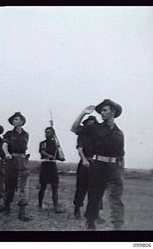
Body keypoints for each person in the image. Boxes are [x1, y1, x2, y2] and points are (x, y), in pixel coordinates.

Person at [71, 99, 125, 230]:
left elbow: (121, 154)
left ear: (113, 112)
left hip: (114, 168)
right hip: (98, 166)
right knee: (95, 196)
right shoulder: (94, 128)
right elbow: (74, 128)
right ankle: (90, 222)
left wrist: (121, 171)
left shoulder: (119, 133)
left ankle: (118, 225)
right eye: (101, 110)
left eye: (105, 110)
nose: (102, 113)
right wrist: (83, 113)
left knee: (116, 197)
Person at [73, 116, 105, 222]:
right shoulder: (82, 135)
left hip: (97, 164)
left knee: (97, 189)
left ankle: (97, 214)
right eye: (89, 123)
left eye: (93, 122)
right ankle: (77, 209)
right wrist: (84, 160)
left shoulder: (99, 137)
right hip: (85, 163)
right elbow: (80, 149)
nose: (91, 124)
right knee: (81, 188)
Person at [1, 112, 31, 221]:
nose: (15, 121)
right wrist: (7, 154)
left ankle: (22, 213)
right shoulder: (8, 134)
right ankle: (6, 207)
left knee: (23, 186)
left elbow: (24, 147)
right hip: (11, 160)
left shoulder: (25, 134)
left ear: (22, 121)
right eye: (13, 120)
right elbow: (4, 145)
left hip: (22, 161)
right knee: (10, 184)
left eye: (17, 119)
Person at [38, 127, 65, 213]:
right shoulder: (43, 143)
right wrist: (48, 156)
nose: (46, 134)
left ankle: (56, 206)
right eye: (46, 132)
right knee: (43, 186)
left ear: (53, 134)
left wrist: (61, 158)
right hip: (45, 165)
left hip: (53, 166)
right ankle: (40, 204)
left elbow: (58, 156)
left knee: (54, 186)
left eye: (49, 132)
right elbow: (42, 152)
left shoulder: (56, 144)